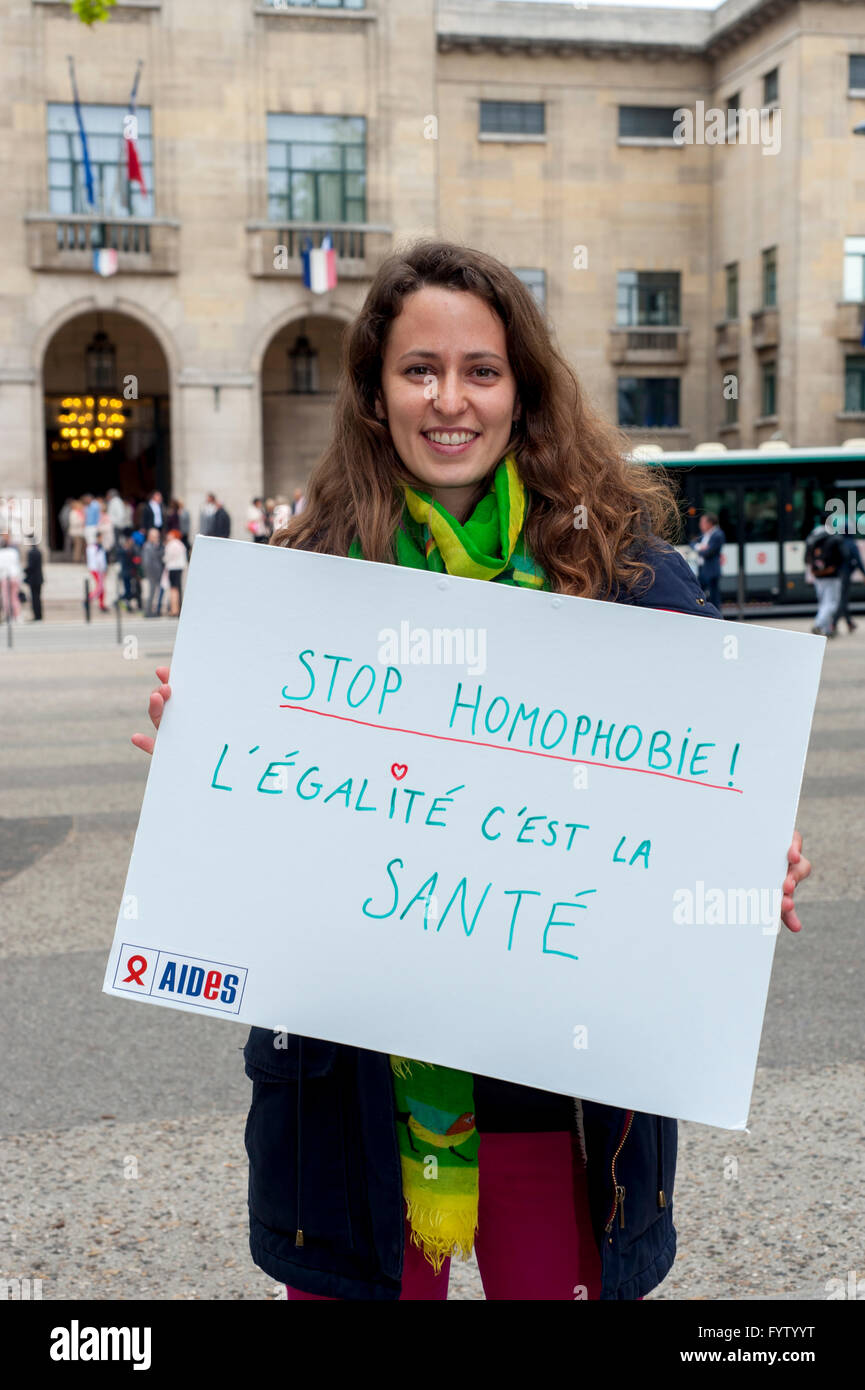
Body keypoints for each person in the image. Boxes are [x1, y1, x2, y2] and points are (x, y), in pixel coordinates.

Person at [131, 240, 813, 1302]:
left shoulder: (627, 567)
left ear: (521, 389)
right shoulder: (303, 575)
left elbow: (711, 782)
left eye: (480, 371)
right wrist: (209, 767)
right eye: (419, 369)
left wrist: (746, 853)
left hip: (557, 1085)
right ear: (374, 390)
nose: (450, 400)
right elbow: (260, 849)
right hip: (352, 1090)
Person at [805, 510, 846, 637]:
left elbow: (806, 558)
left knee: (823, 603)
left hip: (818, 576)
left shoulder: (813, 535)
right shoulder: (834, 536)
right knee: (832, 603)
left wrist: (814, 569)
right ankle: (818, 624)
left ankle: (828, 630)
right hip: (832, 576)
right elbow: (843, 556)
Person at [831, 524, 865, 634]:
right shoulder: (851, 543)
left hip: (836, 574)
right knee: (843, 599)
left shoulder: (838, 541)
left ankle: (849, 623)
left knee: (843, 598)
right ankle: (833, 623)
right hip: (845, 574)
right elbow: (858, 561)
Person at [688, 512, 725, 612]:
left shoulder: (718, 534)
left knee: (714, 597)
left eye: (702, 522)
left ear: (710, 523)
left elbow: (708, 552)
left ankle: (716, 617)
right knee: (698, 594)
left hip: (712, 570)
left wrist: (700, 549)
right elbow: (692, 543)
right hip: (703, 569)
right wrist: (700, 547)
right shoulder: (704, 534)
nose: (700, 525)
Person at [161, 529, 187, 616]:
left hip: (172, 568)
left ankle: (174, 609)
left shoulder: (171, 544)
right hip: (179, 568)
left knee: (173, 589)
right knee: (178, 589)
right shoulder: (181, 544)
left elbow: (167, 557)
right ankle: (178, 608)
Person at [141, 528, 164, 617]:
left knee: (154, 593)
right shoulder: (147, 547)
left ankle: (151, 610)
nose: (157, 538)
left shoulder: (154, 546)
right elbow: (146, 563)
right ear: (150, 537)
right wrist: (150, 573)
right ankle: (148, 612)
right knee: (151, 593)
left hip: (156, 573)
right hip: (152, 574)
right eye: (155, 536)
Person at [0, 534, 22, 622]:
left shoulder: (1, 553)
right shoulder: (13, 552)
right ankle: (18, 616)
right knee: (15, 597)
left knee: (6, 598)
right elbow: (17, 564)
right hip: (14, 576)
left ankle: (9, 616)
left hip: (5, 577)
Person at [85, 536, 108, 612]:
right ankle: (88, 599)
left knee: (102, 589)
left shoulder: (98, 547)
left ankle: (101, 604)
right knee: (100, 587)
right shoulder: (94, 548)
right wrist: (103, 569)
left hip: (98, 569)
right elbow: (98, 560)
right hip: (97, 569)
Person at [24, 542, 44, 621]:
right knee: (38, 598)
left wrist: (24, 571)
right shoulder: (39, 552)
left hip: (33, 579)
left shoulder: (31, 553)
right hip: (39, 578)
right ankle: (39, 615)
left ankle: (36, 616)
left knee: (34, 598)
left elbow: (30, 566)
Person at [68, 498, 86, 563]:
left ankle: (80, 558)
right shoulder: (73, 513)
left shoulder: (80, 513)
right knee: (77, 546)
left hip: (80, 532)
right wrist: (81, 521)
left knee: (81, 546)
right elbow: (73, 522)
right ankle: (76, 559)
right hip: (75, 533)